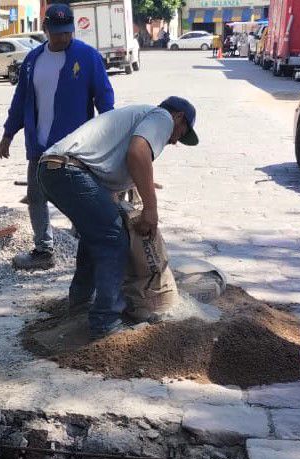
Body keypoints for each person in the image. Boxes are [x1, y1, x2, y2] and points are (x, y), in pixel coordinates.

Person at [35, 97, 198, 337]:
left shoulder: (139, 117)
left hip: (56, 170)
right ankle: (106, 322)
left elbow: (117, 167)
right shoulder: (162, 117)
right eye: (180, 134)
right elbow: (138, 152)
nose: (175, 141)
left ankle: (80, 305)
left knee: (96, 237)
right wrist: (150, 209)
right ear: (179, 117)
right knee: (113, 238)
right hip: (69, 170)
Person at [0, 3, 115, 271]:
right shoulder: (32, 61)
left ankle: (88, 248)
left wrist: (111, 134)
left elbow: (105, 98)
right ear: (45, 29)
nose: (63, 37)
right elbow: (20, 100)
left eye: (67, 32)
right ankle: (43, 251)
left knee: (80, 199)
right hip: (39, 146)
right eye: (57, 32)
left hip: (74, 148)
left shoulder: (88, 57)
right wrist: (8, 133)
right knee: (36, 197)